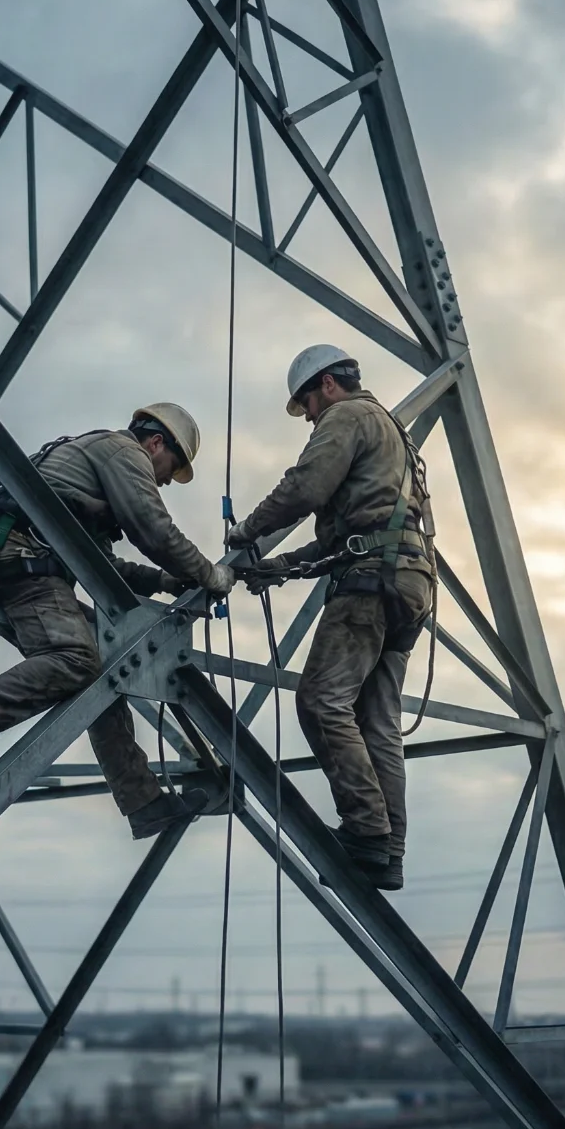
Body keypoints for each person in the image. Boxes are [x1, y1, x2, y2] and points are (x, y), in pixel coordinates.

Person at [0, 404, 236, 839]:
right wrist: (208, 573)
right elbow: (153, 529)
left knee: (107, 667)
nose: (163, 480)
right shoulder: (123, 452)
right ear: (157, 443)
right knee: (75, 659)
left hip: (7, 554)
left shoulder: (87, 471)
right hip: (17, 554)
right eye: (170, 468)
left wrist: (164, 579)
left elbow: (103, 566)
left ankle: (144, 802)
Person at [227, 347, 434, 890]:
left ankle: (366, 830)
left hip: (370, 584)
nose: (311, 418)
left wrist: (245, 532)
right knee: (377, 723)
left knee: (321, 700)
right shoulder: (394, 434)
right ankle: (389, 853)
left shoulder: (347, 416)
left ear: (326, 385)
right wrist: (283, 567)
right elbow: (357, 532)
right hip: (407, 584)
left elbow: (306, 487)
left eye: (308, 405)